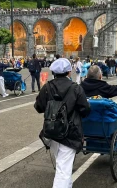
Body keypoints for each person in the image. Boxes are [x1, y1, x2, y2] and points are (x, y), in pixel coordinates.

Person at [34, 58, 90, 188]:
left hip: (51, 131)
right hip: (70, 132)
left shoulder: (47, 87)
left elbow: (38, 107)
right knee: (63, 170)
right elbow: (85, 109)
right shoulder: (76, 88)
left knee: (62, 165)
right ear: (69, 72)